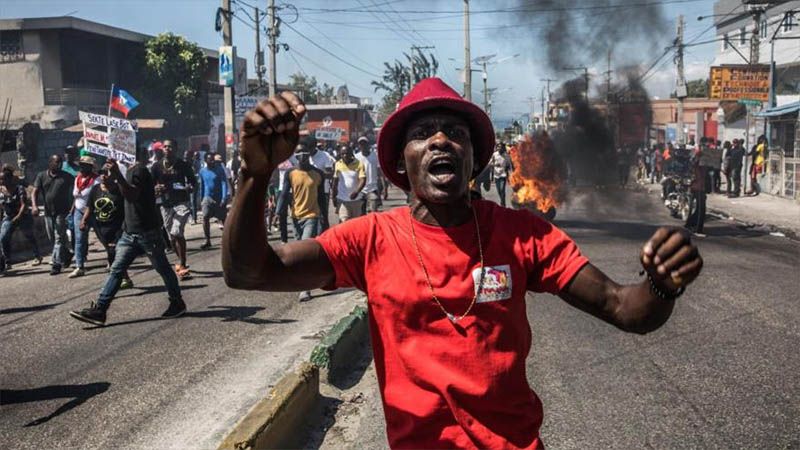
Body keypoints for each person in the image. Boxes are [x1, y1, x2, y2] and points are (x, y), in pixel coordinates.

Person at [223, 79, 704, 449]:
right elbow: (250, 272)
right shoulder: (370, 238)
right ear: (401, 160)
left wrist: (662, 285)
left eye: (455, 133)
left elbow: (624, 307)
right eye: (422, 134)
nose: (440, 141)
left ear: (474, 158)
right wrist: (255, 174)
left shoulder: (524, 234)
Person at [69, 148, 186, 326]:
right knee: (116, 269)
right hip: (130, 231)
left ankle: (177, 302)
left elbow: (132, 195)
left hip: (146, 231)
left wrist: (118, 176)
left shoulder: (138, 170)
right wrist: (113, 177)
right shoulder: (128, 170)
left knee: (162, 267)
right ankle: (100, 310)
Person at [278, 140, 325, 301]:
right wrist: (280, 212)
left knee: (304, 251)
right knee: (298, 252)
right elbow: (284, 195)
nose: (302, 157)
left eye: (305, 154)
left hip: (312, 216)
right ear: (295, 156)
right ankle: (305, 279)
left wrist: (324, 220)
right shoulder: (290, 174)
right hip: (295, 217)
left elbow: (322, 199)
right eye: (298, 154)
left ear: (309, 155)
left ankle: (306, 289)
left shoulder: (318, 174)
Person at [151, 139, 196, 280]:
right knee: (171, 237)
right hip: (165, 204)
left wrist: (190, 188)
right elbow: (151, 185)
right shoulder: (156, 166)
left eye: (170, 147)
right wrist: (155, 189)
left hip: (181, 202)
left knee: (177, 231)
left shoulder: (183, 165)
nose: (167, 149)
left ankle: (182, 264)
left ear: (176, 149)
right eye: (165, 147)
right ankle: (181, 260)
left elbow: (193, 182)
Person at [83, 169, 132, 289]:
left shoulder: (119, 189)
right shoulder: (95, 189)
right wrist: (84, 220)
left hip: (117, 226)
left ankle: (117, 280)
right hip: (101, 228)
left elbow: (127, 206)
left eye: (107, 173)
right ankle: (124, 278)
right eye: (101, 173)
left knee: (114, 252)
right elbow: (89, 206)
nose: (103, 176)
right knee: (112, 254)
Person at [32, 154, 74, 275]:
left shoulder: (66, 177)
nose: (59, 165)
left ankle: (56, 264)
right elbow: (35, 192)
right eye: (56, 162)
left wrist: (73, 207)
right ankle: (67, 253)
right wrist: (34, 206)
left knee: (59, 238)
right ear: (50, 163)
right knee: (52, 237)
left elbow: (77, 190)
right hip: (48, 212)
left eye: (60, 162)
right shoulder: (41, 176)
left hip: (62, 212)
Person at [0, 167, 42, 275]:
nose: (1, 182)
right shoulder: (1, 190)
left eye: (3, 179)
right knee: (4, 237)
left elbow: (24, 204)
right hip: (9, 216)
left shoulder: (19, 189)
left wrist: (18, 217)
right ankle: (7, 261)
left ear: (9, 179)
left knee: (29, 235)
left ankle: (37, 255)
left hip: (22, 215)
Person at [70, 156, 99, 278]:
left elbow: (94, 201)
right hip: (78, 211)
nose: (81, 167)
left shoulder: (96, 181)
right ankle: (79, 266)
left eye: (84, 165)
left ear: (90, 167)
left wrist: (85, 218)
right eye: (81, 165)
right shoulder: (77, 179)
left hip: (94, 212)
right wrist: (72, 210)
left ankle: (112, 259)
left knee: (103, 237)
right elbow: (76, 196)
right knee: (79, 238)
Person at [198, 153, 229, 249]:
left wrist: (224, 197)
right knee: (205, 217)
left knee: (223, 219)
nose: (211, 161)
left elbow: (224, 183)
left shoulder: (219, 170)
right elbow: (202, 186)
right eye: (209, 160)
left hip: (219, 198)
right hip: (207, 198)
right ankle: (207, 240)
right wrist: (201, 198)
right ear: (205, 161)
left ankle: (227, 239)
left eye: (213, 160)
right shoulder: (202, 171)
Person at [332, 144, 366, 223]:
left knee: (356, 224)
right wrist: (333, 196)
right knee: (344, 222)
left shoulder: (359, 164)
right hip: (342, 200)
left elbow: (363, 180)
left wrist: (356, 192)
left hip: (356, 200)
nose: (345, 155)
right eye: (342, 154)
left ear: (351, 153)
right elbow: (335, 182)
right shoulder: (337, 164)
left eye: (347, 153)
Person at [355, 136, 384, 214]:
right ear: (359, 146)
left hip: (372, 189)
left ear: (368, 144)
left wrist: (384, 187)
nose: (363, 146)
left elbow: (380, 172)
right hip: (360, 190)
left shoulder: (375, 156)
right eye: (361, 144)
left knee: (373, 213)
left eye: (364, 144)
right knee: (361, 214)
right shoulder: (356, 157)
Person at [685, 147, 707, 236]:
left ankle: (689, 224)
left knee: (699, 209)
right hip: (698, 188)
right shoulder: (696, 165)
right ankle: (698, 230)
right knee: (701, 209)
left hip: (699, 187)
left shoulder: (700, 165)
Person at [489, 142, 513, 207]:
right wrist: (495, 164)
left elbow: (509, 165)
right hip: (496, 175)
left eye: (500, 147)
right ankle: (502, 200)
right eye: (498, 147)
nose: (499, 148)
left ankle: (503, 204)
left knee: (502, 189)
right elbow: (490, 163)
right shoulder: (494, 154)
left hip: (503, 175)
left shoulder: (506, 155)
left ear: (503, 148)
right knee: (499, 190)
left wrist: (511, 173)